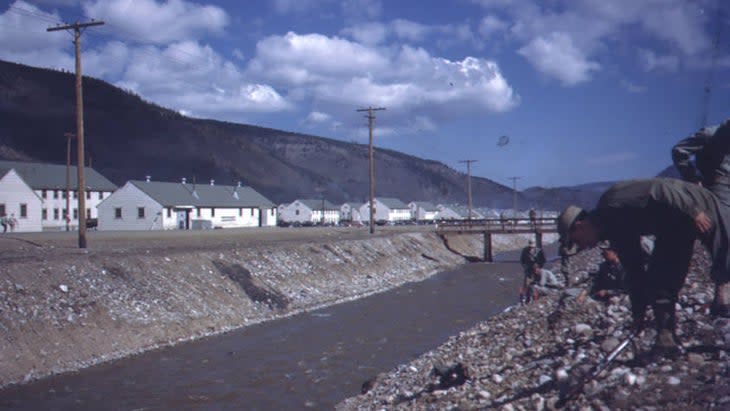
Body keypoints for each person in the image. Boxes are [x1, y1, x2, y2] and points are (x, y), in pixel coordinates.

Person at [558, 178, 730, 354]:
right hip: (673, 226)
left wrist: (694, 211)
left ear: (579, 226)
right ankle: (666, 338)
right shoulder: (615, 232)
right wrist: (638, 314)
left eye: (577, 241)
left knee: (725, 263)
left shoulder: (612, 201)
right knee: (659, 281)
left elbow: (660, 188)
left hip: (696, 205)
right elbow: (634, 271)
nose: (583, 247)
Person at [672, 119, 730, 316]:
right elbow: (679, 151)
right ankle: (723, 292)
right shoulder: (709, 134)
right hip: (717, 187)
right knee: (725, 236)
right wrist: (692, 177)